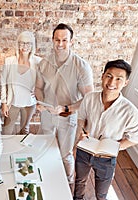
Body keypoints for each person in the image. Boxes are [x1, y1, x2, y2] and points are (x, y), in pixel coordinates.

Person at [73, 59, 138, 200]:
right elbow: (81, 117)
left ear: (126, 83)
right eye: (109, 76)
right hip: (84, 151)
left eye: (118, 79)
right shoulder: (89, 98)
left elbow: (135, 138)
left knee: (101, 194)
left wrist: (113, 148)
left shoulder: (131, 112)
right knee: (79, 182)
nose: (111, 83)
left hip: (107, 159)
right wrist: (80, 130)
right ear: (103, 76)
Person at [35, 23, 94, 187]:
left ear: (71, 41)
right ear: (52, 40)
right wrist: (41, 102)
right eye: (57, 40)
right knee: (45, 147)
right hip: (47, 114)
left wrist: (67, 109)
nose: (60, 44)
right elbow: (38, 88)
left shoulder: (81, 66)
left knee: (65, 154)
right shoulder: (44, 63)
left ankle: (68, 183)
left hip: (68, 117)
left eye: (64, 40)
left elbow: (88, 98)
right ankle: (45, 177)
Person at [1, 31, 42, 135]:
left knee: (25, 130)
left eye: (28, 43)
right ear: (18, 44)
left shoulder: (38, 62)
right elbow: (3, 83)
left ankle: (22, 151)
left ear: (32, 45)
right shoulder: (9, 61)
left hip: (29, 103)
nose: (25, 46)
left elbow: (46, 81)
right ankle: (7, 150)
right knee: (6, 131)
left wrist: (39, 93)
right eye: (22, 43)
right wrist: (4, 103)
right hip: (13, 102)